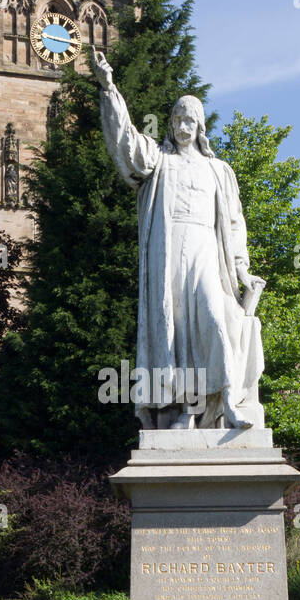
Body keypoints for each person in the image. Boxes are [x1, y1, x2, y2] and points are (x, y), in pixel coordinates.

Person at [93, 50, 265, 430]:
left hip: (207, 251)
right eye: (178, 119)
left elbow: (235, 224)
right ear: (170, 124)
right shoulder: (159, 163)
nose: (184, 126)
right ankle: (186, 411)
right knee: (175, 333)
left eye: (191, 120)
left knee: (215, 318)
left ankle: (229, 400)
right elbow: (127, 144)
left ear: (200, 126)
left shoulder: (219, 171)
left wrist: (241, 270)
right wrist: (109, 88)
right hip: (168, 253)